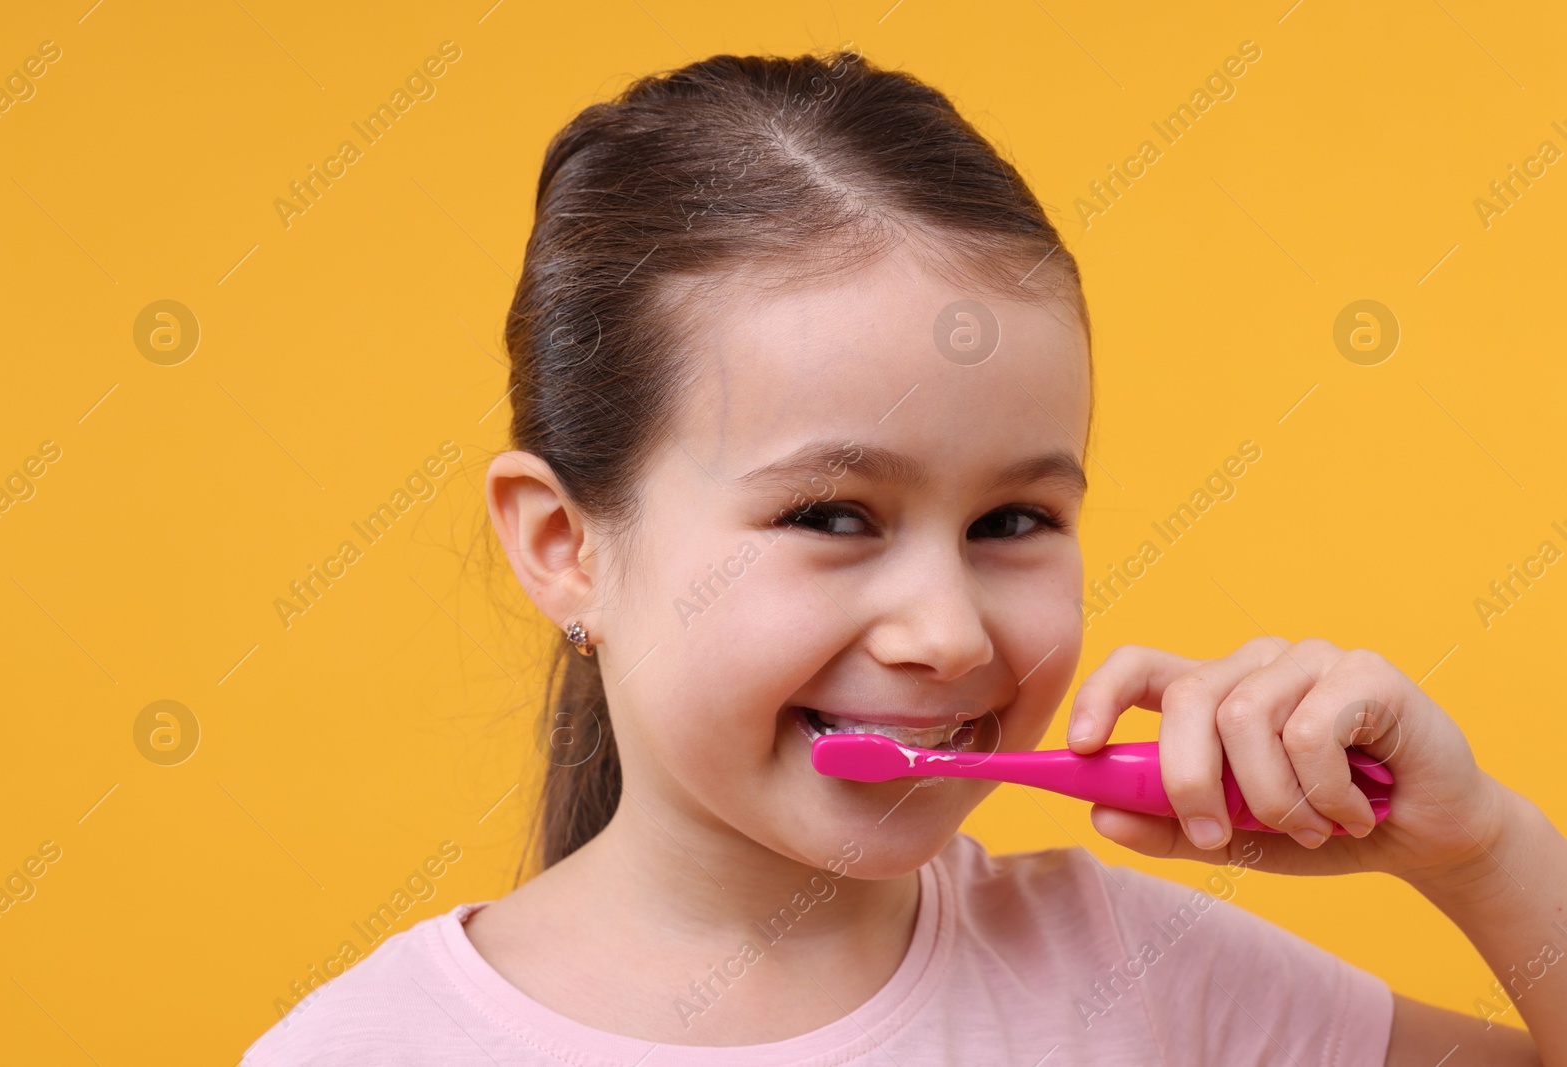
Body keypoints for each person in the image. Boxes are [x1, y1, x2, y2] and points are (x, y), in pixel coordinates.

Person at [241, 49, 1562, 1065]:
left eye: (1012, 523)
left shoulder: (1136, 977)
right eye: (829, 517)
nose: (949, 633)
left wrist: (1481, 853)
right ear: (562, 545)